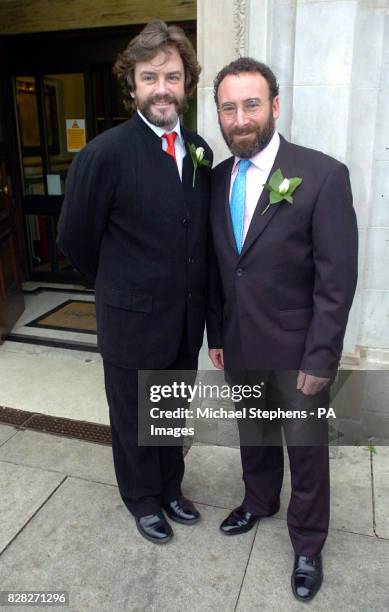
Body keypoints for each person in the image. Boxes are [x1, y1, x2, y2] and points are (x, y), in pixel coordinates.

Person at [207, 57, 358, 601]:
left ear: (274, 106)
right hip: (241, 340)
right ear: (219, 115)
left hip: (298, 350)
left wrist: (321, 359)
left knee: (305, 447)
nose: (240, 118)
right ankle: (258, 500)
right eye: (229, 107)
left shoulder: (322, 175)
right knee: (255, 432)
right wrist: (217, 333)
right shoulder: (218, 178)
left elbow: (336, 281)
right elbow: (220, 266)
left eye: (251, 104)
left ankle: (309, 543)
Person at [57, 20, 213, 544]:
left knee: (169, 410)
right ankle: (142, 499)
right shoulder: (104, 154)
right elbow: (75, 238)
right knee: (133, 419)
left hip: (184, 321)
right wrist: (120, 288)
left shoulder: (199, 151)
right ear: (132, 86)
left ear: (186, 84)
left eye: (172, 76)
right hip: (130, 321)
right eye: (150, 77)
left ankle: (171, 488)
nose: (162, 88)